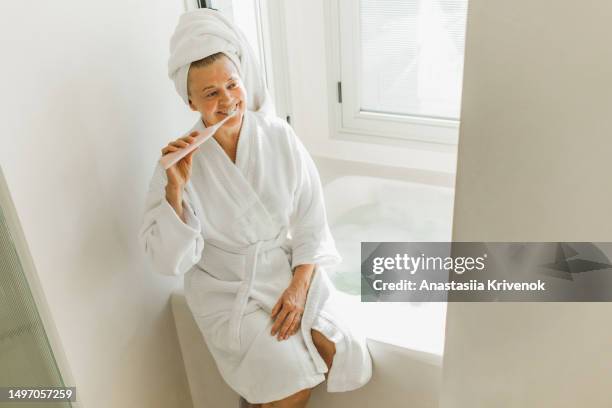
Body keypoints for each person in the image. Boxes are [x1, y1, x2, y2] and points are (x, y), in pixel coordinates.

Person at [138, 9, 371, 408]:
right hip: (225, 286)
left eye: (232, 84)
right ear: (190, 99)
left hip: (285, 270)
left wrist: (298, 288)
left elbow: (312, 220)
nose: (228, 100)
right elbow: (169, 263)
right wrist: (175, 191)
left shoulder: (278, 135)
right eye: (211, 93)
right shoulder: (179, 161)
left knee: (339, 347)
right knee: (289, 379)